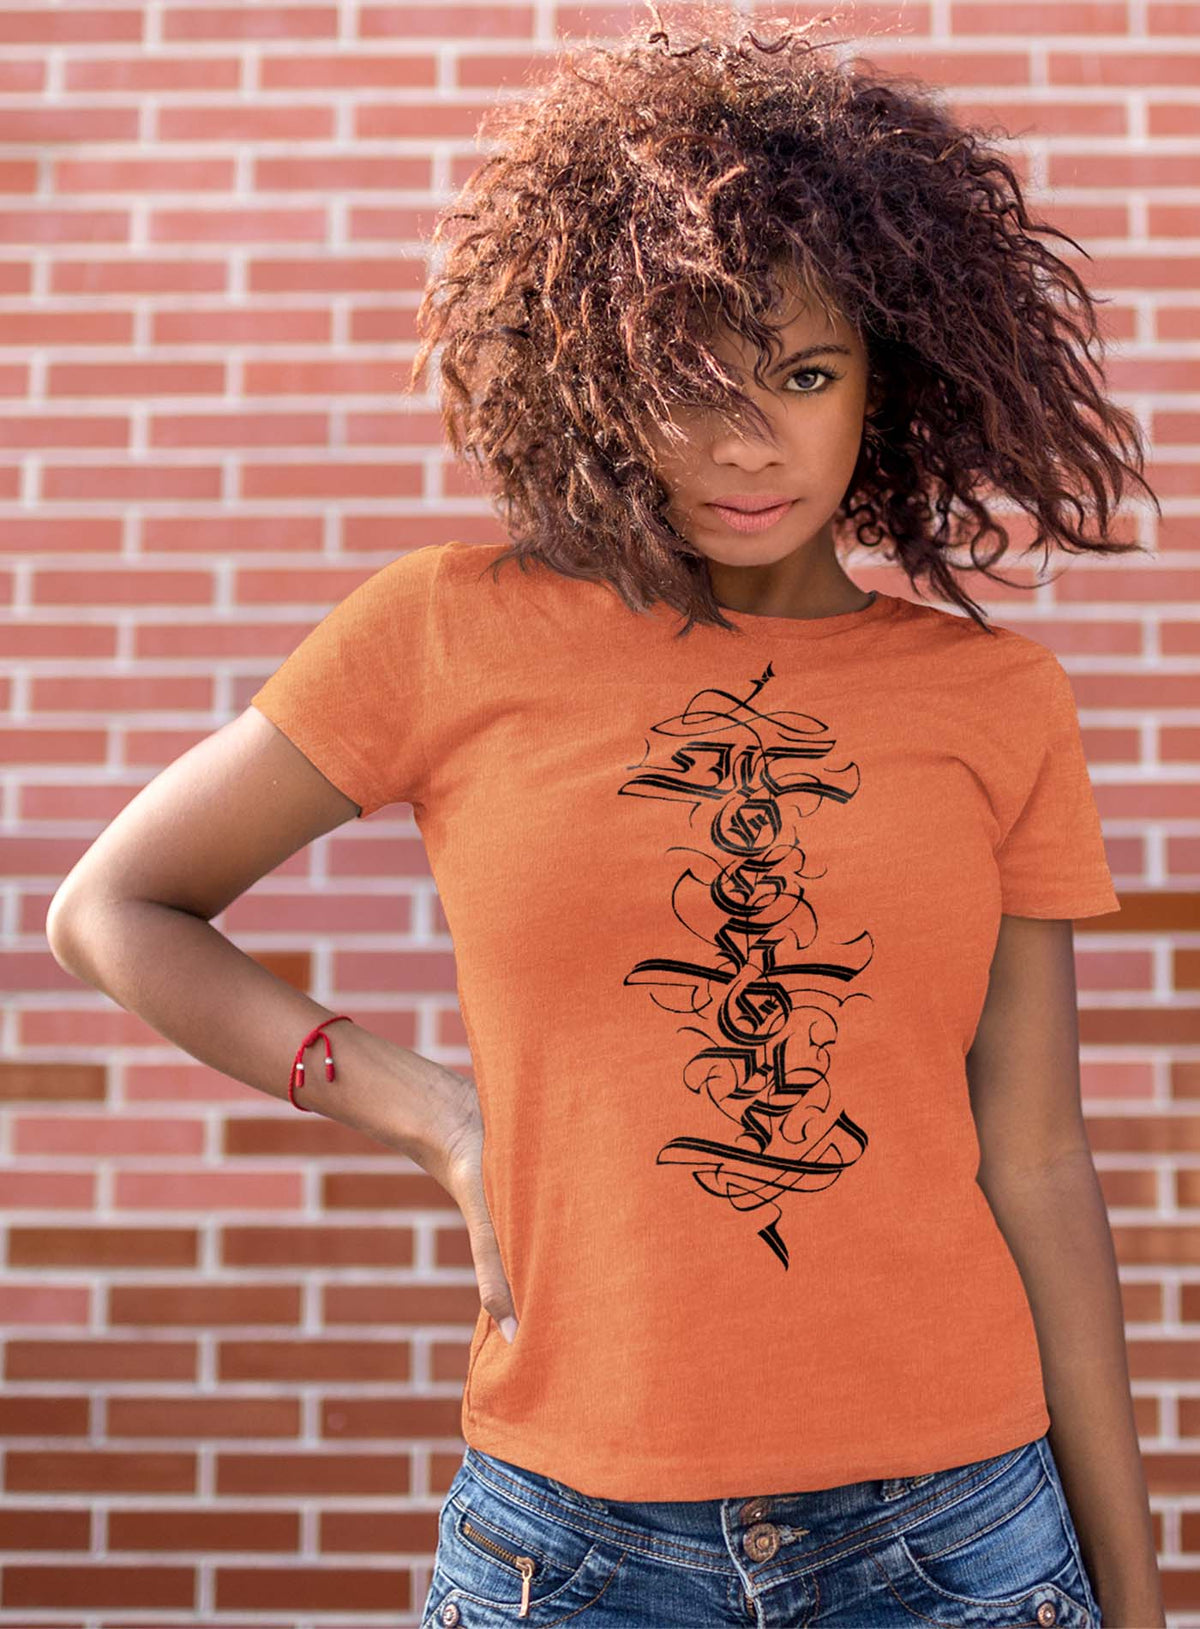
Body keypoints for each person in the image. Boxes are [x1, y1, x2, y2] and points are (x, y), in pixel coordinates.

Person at [44, 4, 1167, 1625]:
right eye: (686, 379)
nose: (745, 443)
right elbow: (113, 907)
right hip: (569, 1546)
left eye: (801, 373)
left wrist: (1133, 1587)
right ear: (595, 376)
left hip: (957, 1536)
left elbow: (1042, 1156)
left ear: (886, 379)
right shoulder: (446, 627)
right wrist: (437, 1115)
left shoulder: (998, 702)